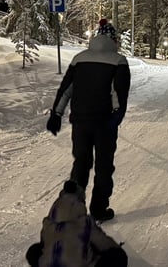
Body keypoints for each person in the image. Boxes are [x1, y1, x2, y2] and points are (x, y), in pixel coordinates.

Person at [47, 19, 130, 221]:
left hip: (80, 122)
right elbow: (118, 94)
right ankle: (99, 209)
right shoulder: (118, 61)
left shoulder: (79, 59)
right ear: (113, 40)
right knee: (103, 166)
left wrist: (56, 114)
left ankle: (74, 208)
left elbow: (66, 90)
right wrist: (116, 118)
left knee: (81, 163)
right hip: (104, 123)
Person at [26, 180, 128, 267]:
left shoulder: (48, 223)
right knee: (118, 256)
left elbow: (46, 246)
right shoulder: (85, 223)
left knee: (35, 250)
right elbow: (105, 244)